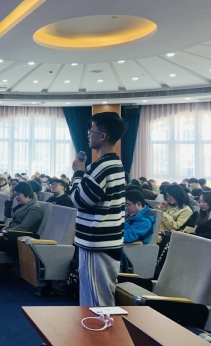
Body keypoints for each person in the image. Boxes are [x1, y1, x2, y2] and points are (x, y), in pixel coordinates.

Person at [70, 112, 126, 307]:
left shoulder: (102, 166)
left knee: (97, 303)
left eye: (91, 131)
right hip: (102, 241)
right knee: (96, 300)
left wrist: (78, 172)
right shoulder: (113, 163)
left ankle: (101, 329)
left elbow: (79, 200)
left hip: (97, 242)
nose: (88, 134)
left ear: (102, 136)